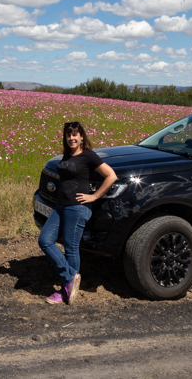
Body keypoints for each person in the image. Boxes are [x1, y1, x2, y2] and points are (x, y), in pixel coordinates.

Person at [38, 121, 118, 305]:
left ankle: (66, 291)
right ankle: (69, 278)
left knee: (70, 246)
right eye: (68, 135)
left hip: (77, 206)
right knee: (45, 240)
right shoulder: (66, 156)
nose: (71, 138)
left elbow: (111, 175)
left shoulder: (88, 156)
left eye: (75, 135)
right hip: (61, 205)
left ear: (82, 137)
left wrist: (94, 196)